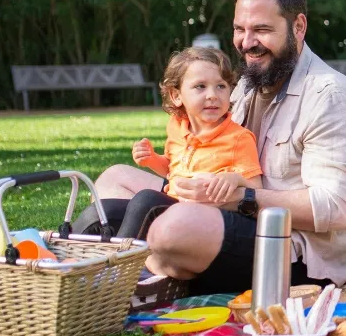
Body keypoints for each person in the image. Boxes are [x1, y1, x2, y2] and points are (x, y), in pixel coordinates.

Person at [77, 0, 346, 300]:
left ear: (298, 26)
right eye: (240, 29)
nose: (247, 42)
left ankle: (143, 273)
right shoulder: (247, 84)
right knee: (113, 180)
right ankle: (147, 267)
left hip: (293, 252)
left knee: (173, 227)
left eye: (261, 30)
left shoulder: (329, 96)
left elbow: (337, 209)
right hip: (219, 210)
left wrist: (242, 198)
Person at [110, 46, 263, 242]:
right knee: (108, 209)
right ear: (176, 96)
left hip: (208, 219)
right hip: (174, 205)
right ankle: (72, 261)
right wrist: (152, 160)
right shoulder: (177, 127)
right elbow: (172, 169)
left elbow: (256, 186)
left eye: (221, 86)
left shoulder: (238, 138)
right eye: (200, 86)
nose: (212, 95)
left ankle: (119, 267)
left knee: (146, 200)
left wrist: (234, 179)